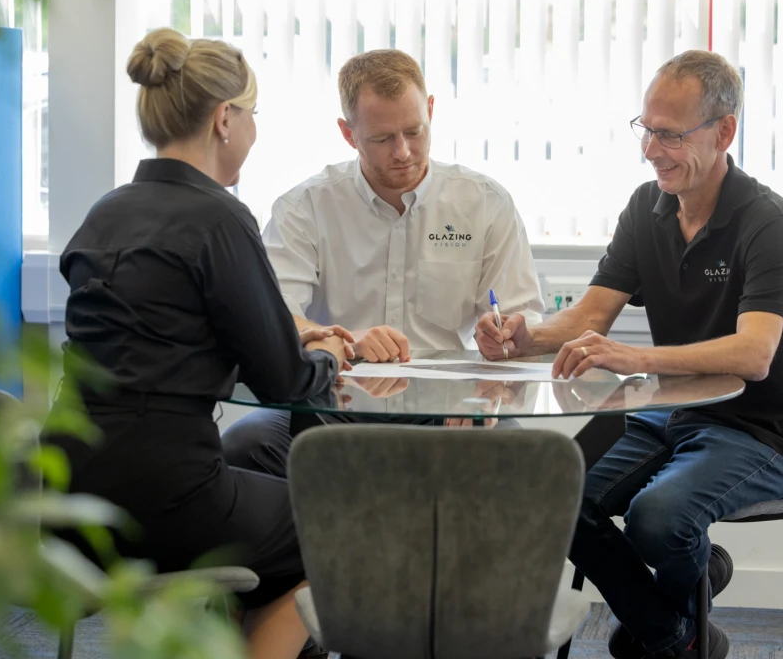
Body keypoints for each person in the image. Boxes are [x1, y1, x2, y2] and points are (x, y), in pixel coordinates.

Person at [42, 28, 354, 659]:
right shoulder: (218, 217)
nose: (253, 132)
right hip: (164, 496)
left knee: (263, 527)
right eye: (254, 115)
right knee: (338, 525)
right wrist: (329, 356)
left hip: (67, 492)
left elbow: (158, 340)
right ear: (224, 119)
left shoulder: (107, 211)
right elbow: (285, 384)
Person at [475, 50, 783, 659]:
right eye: (646, 129)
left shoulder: (765, 221)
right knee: (554, 496)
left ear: (725, 131)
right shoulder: (647, 208)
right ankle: (676, 632)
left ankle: (673, 598)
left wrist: (631, 359)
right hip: (673, 413)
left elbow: (754, 354)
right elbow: (589, 317)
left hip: (756, 429)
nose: (651, 150)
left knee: (656, 521)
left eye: (671, 134)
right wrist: (521, 336)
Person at [223, 48, 543, 476]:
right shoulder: (305, 208)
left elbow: (521, 321)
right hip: (333, 400)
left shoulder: (484, 204)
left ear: (431, 110)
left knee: (534, 465)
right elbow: (274, 318)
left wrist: (500, 351)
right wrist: (348, 339)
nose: (404, 152)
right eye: (381, 138)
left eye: (415, 131)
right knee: (245, 447)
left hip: (450, 406)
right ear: (348, 133)